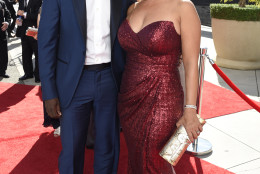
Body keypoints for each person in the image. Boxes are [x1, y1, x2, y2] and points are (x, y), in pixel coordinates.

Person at [38, 0, 135, 173]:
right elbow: (46, 42)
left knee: (108, 147)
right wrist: (49, 91)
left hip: (110, 79)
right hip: (73, 81)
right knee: (72, 149)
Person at [117, 0, 202, 173]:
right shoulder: (133, 7)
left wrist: (190, 109)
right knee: (136, 159)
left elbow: (191, 63)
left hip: (162, 100)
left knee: (154, 162)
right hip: (128, 100)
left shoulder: (183, 7)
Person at [16, 0, 42, 83]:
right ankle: (28, 73)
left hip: (34, 32)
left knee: (38, 54)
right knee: (25, 54)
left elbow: (38, 15)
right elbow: (19, 13)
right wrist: (18, 19)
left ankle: (38, 75)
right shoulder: (22, 1)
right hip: (23, 31)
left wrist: (23, 14)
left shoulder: (38, 1)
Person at [0, 0, 11, 78]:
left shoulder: (2, 3)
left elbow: (8, 14)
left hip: (2, 33)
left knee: (3, 53)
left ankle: (2, 71)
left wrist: (7, 22)